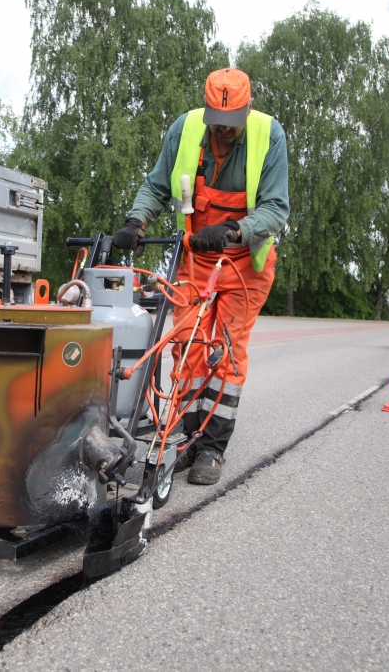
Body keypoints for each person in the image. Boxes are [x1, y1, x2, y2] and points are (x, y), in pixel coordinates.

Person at [111, 67, 289, 485]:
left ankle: (213, 447)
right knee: (188, 348)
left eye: (232, 125)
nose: (223, 132)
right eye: (217, 124)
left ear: (247, 111)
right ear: (207, 111)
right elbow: (157, 186)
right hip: (194, 260)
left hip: (246, 262)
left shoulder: (269, 135)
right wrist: (136, 221)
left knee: (224, 351)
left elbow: (276, 208)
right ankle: (188, 438)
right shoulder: (186, 128)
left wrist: (233, 231)